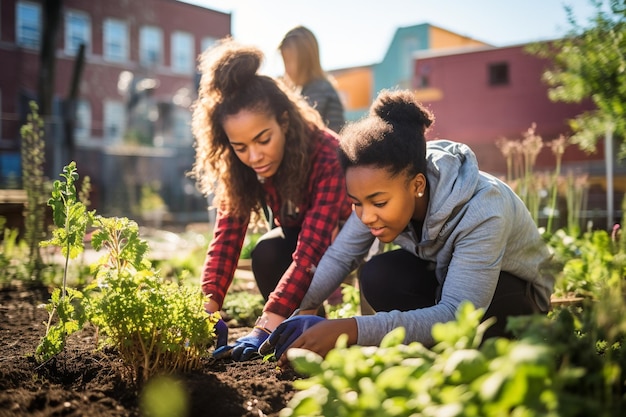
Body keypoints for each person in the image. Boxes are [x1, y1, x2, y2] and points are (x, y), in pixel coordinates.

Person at [260, 89, 554, 361]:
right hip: (448, 287)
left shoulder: (483, 208)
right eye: (356, 203)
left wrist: (349, 329)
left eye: (377, 202)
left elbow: (456, 313)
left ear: (417, 185)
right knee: (379, 274)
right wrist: (301, 307)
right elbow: (340, 255)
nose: (365, 216)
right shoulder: (382, 189)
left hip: (514, 301)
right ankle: (432, 352)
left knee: (492, 309)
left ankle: (483, 356)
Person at [191, 38, 353, 361]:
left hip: (346, 248)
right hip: (302, 248)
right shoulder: (242, 165)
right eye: (240, 147)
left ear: (284, 121)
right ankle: (297, 332)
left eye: (263, 140)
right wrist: (205, 309)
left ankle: (306, 327)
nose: (254, 156)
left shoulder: (326, 153)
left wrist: (265, 323)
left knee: (282, 259)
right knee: (268, 251)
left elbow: (312, 250)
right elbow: (226, 238)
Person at [279, 25, 345, 133]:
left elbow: (302, 127)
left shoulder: (319, 89)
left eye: (288, 61)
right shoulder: (307, 89)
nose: (286, 69)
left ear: (305, 60)